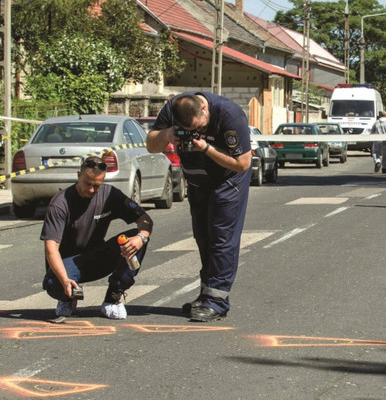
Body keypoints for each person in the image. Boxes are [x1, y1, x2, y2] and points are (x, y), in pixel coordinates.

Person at [146, 92, 252, 322]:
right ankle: (207, 294)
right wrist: (167, 135)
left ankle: (217, 302)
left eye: (199, 127)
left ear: (204, 108)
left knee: (221, 239)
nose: (197, 132)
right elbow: (151, 145)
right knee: (203, 237)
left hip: (227, 181)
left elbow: (242, 163)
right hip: (197, 181)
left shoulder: (228, 115)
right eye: (189, 129)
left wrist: (206, 149)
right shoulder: (173, 109)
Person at [41, 156, 153, 320]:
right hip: (68, 264)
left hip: (97, 257)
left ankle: (113, 298)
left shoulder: (109, 194)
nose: (92, 190)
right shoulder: (60, 203)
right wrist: (64, 280)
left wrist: (141, 237)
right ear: (79, 175)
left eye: (97, 185)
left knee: (135, 239)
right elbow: (51, 249)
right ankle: (67, 299)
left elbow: (146, 220)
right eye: (88, 184)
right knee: (53, 283)